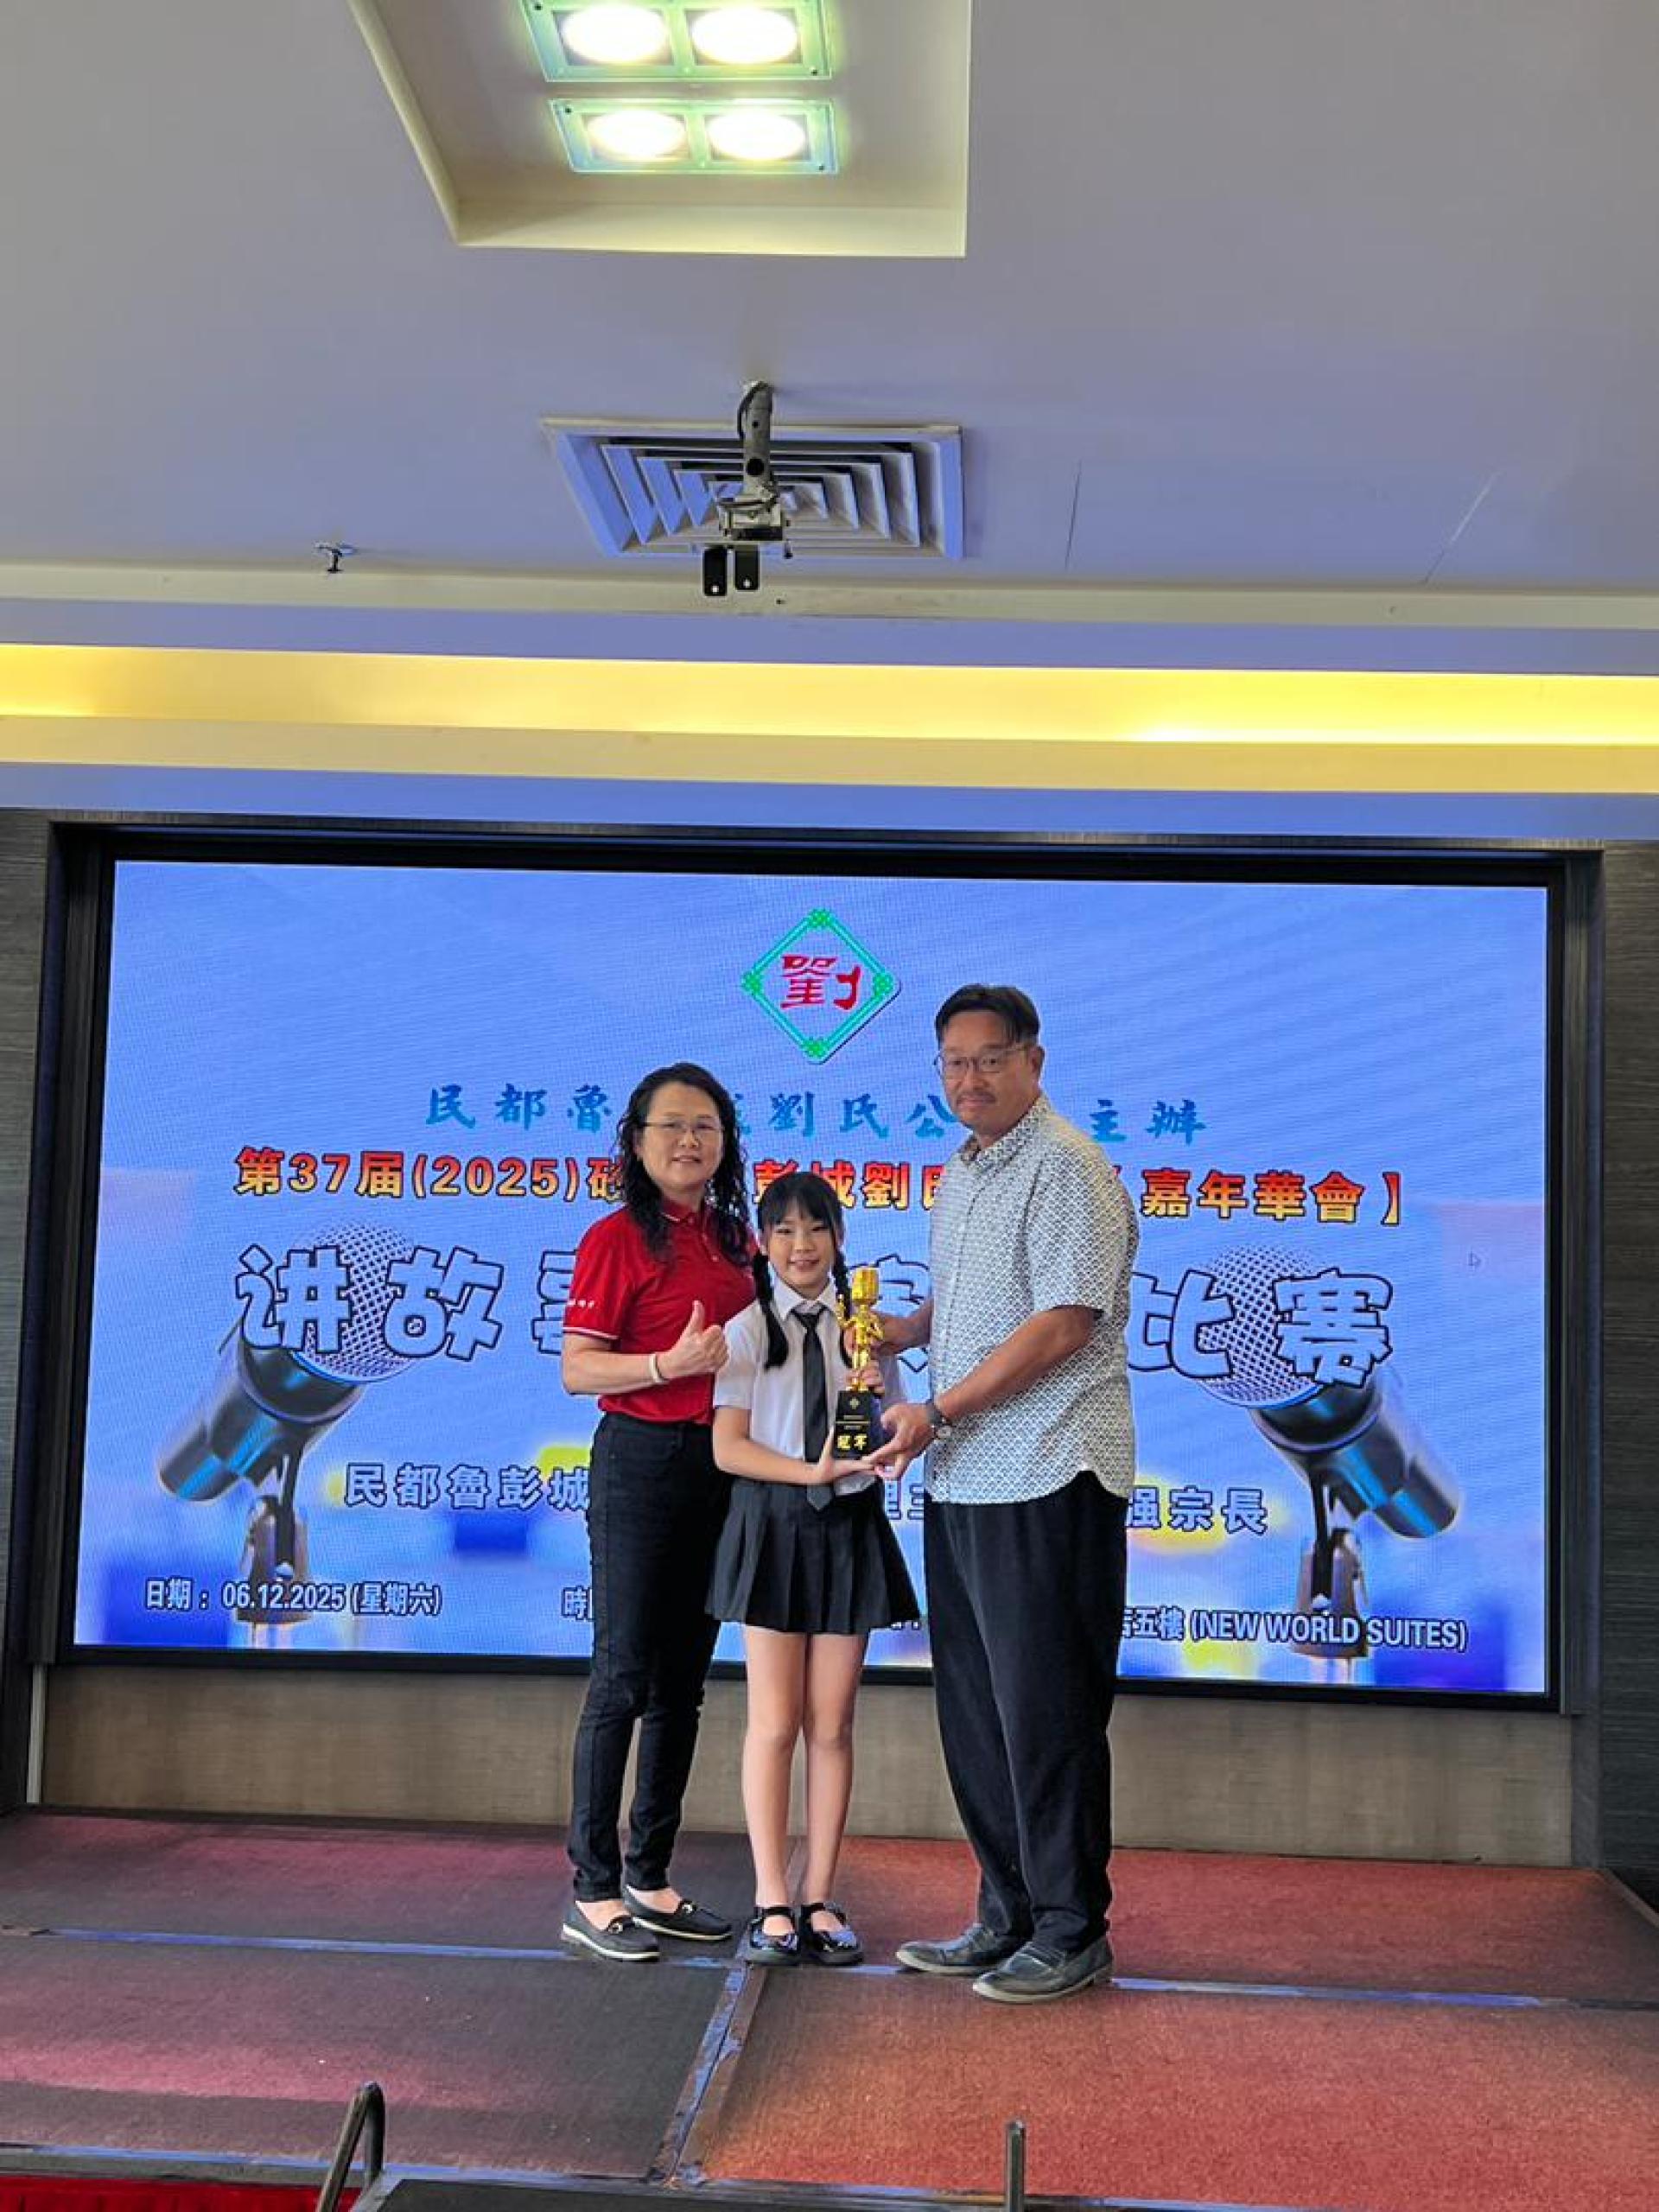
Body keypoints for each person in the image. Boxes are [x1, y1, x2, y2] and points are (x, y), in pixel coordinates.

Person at [873, 985, 1138, 2005]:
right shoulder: (966, 1170)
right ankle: (1009, 1911)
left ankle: (1072, 1927)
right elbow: (987, 1294)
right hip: (968, 1473)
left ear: (1035, 1059)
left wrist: (937, 1407)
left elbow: (1064, 1319)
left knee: (1046, 1710)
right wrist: (910, 1331)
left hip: (1049, 1469)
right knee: (979, 1711)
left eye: (989, 1058)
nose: (969, 1078)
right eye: (953, 1061)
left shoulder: (1067, 1163)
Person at [559, 1061, 756, 1961]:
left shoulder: (737, 1239)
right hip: (640, 1461)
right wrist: (663, 1367)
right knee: (623, 1677)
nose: (689, 1141)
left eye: (705, 1126)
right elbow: (578, 1368)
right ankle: (592, 1888)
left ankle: (650, 1876)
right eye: (671, 1125)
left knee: (683, 1684)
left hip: (723, 1464)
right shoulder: (614, 1238)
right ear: (636, 1142)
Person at [709, 1172, 918, 1967]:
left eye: (818, 1228)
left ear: (840, 1239)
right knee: (774, 1722)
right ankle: (772, 1899)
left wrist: (889, 1447)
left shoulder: (868, 1332)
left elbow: (888, 1432)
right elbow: (728, 1449)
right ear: (764, 1244)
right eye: (786, 1231)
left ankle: (822, 1897)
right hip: (772, 1523)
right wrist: (812, 1473)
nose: (803, 1246)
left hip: (849, 1525)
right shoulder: (745, 1331)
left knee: (832, 1724)